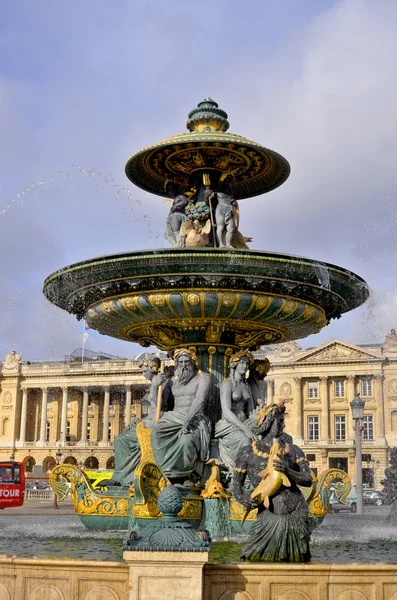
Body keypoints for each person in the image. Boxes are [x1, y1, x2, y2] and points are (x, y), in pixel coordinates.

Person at [234, 402, 313, 562]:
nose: (283, 425)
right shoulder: (247, 452)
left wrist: (288, 470)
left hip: (296, 514)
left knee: (297, 560)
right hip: (268, 515)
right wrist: (244, 500)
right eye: (280, 421)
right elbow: (237, 486)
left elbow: (308, 479)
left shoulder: (293, 450)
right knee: (252, 556)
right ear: (269, 422)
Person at [101, 356, 171, 487]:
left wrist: (156, 387)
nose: (143, 374)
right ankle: (122, 475)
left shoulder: (160, 382)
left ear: (152, 369)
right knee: (120, 439)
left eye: (145, 371)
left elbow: (160, 406)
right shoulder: (156, 382)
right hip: (150, 419)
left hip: (158, 419)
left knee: (122, 440)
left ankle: (122, 477)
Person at [151, 348, 211, 483]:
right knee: (156, 433)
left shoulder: (203, 377)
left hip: (194, 418)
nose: (184, 365)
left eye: (186, 362)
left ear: (193, 362)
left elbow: (199, 400)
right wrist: (154, 386)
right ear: (177, 364)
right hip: (174, 417)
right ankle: (165, 472)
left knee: (186, 441)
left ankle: (185, 475)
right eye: (180, 362)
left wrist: (187, 420)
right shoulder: (172, 381)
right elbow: (159, 404)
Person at [214, 351, 259, 475]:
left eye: (247, 364)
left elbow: (250, 411)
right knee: (245, 440)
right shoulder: (227, 384)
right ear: (234, 364)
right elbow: (226, 411)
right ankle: (240, 475)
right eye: (242, 363)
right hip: (228, 425)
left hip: (245, 421)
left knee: (262, 439)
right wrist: (246, 429)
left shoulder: (246, 386)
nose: (245, 366)